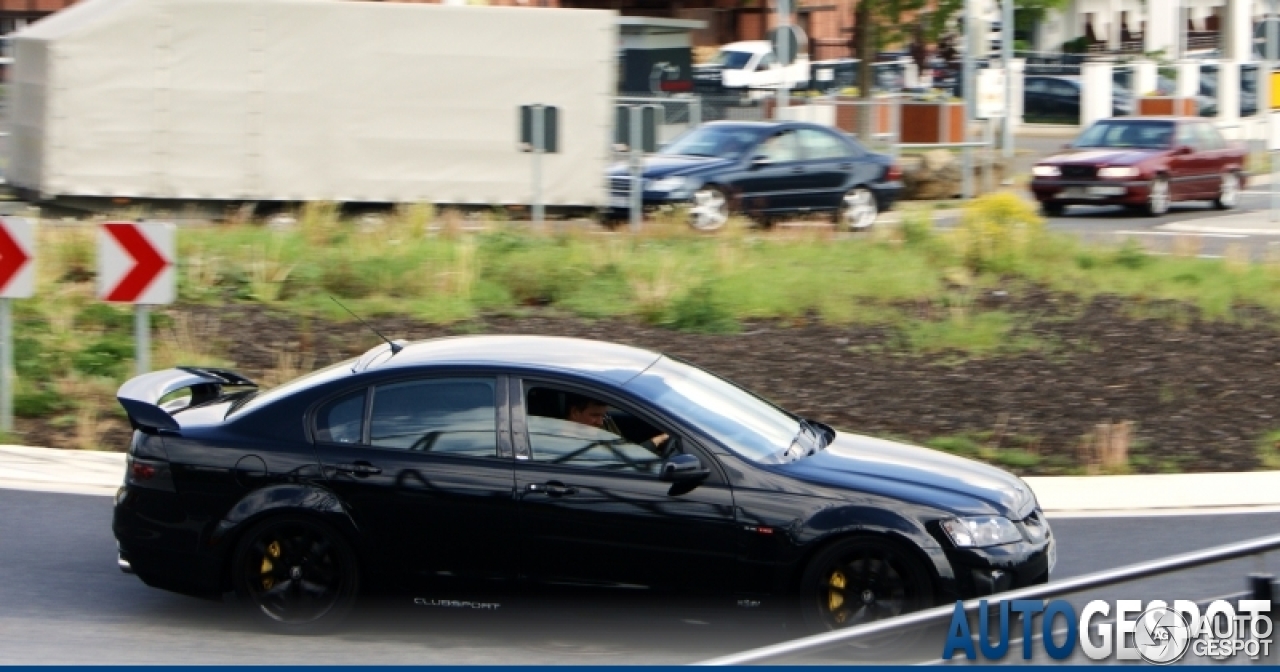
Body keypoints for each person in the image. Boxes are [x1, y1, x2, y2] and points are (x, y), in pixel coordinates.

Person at [564, 392, 670, 457]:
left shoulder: (591, 431)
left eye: (603, 416)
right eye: (595, 415)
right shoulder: (568, 443)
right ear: (575, 413)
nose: (600, 422)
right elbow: (624, 458)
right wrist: (656, 441)